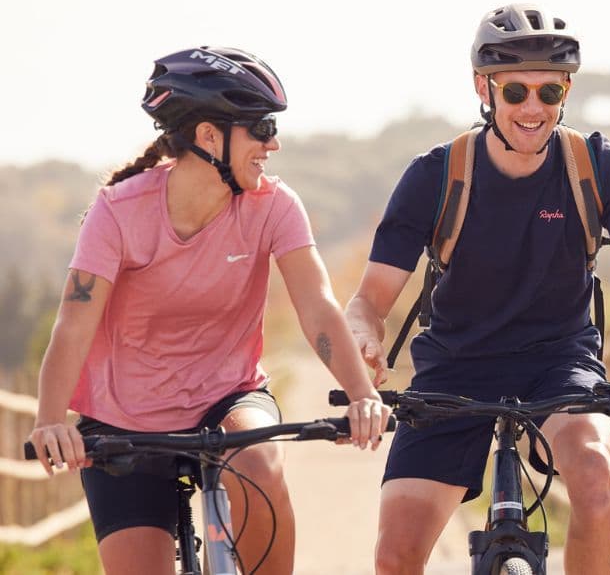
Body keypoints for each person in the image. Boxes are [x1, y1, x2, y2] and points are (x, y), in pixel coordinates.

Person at [27, 46, 391, 575]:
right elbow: (73, 324)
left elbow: (318, 307)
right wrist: (48, 420)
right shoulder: (118, 211)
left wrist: (362, 395)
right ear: (207, 136)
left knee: (261, 464)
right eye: (261, 128)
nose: (274, 143)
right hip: (122, 421)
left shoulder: (275, 205)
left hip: (229, 397)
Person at [346, 3, 610, 574]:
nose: (533, 109)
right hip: (455, 369)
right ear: (484, 87)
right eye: (516, 92)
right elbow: (369, 300)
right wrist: (363, 341)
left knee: (596, 479)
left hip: (560, 363)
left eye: (549, 94)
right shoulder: (436, 175)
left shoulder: (597, 167)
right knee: (395, 552)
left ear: (566, 92)